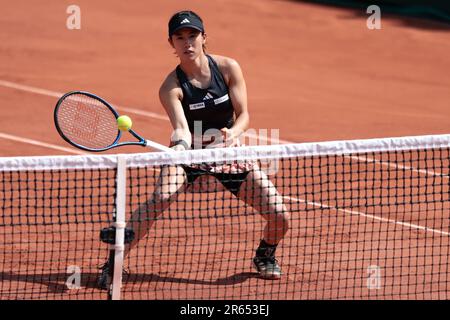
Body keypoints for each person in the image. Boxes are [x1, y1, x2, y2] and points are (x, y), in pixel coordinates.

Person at [98, 10, 290, 289]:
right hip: (188, 156)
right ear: (171, 44)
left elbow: (245, 115)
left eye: (192, 36)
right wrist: (182, 149)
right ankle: (113, 263)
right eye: (180, 38)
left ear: (204, 38)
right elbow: (181, 128)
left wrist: (233, 133)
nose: (187, 43)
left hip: (228, 153)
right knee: (160, 198)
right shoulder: (171, 87)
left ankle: (264, 254)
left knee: (280, 216)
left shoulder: (227, 68)